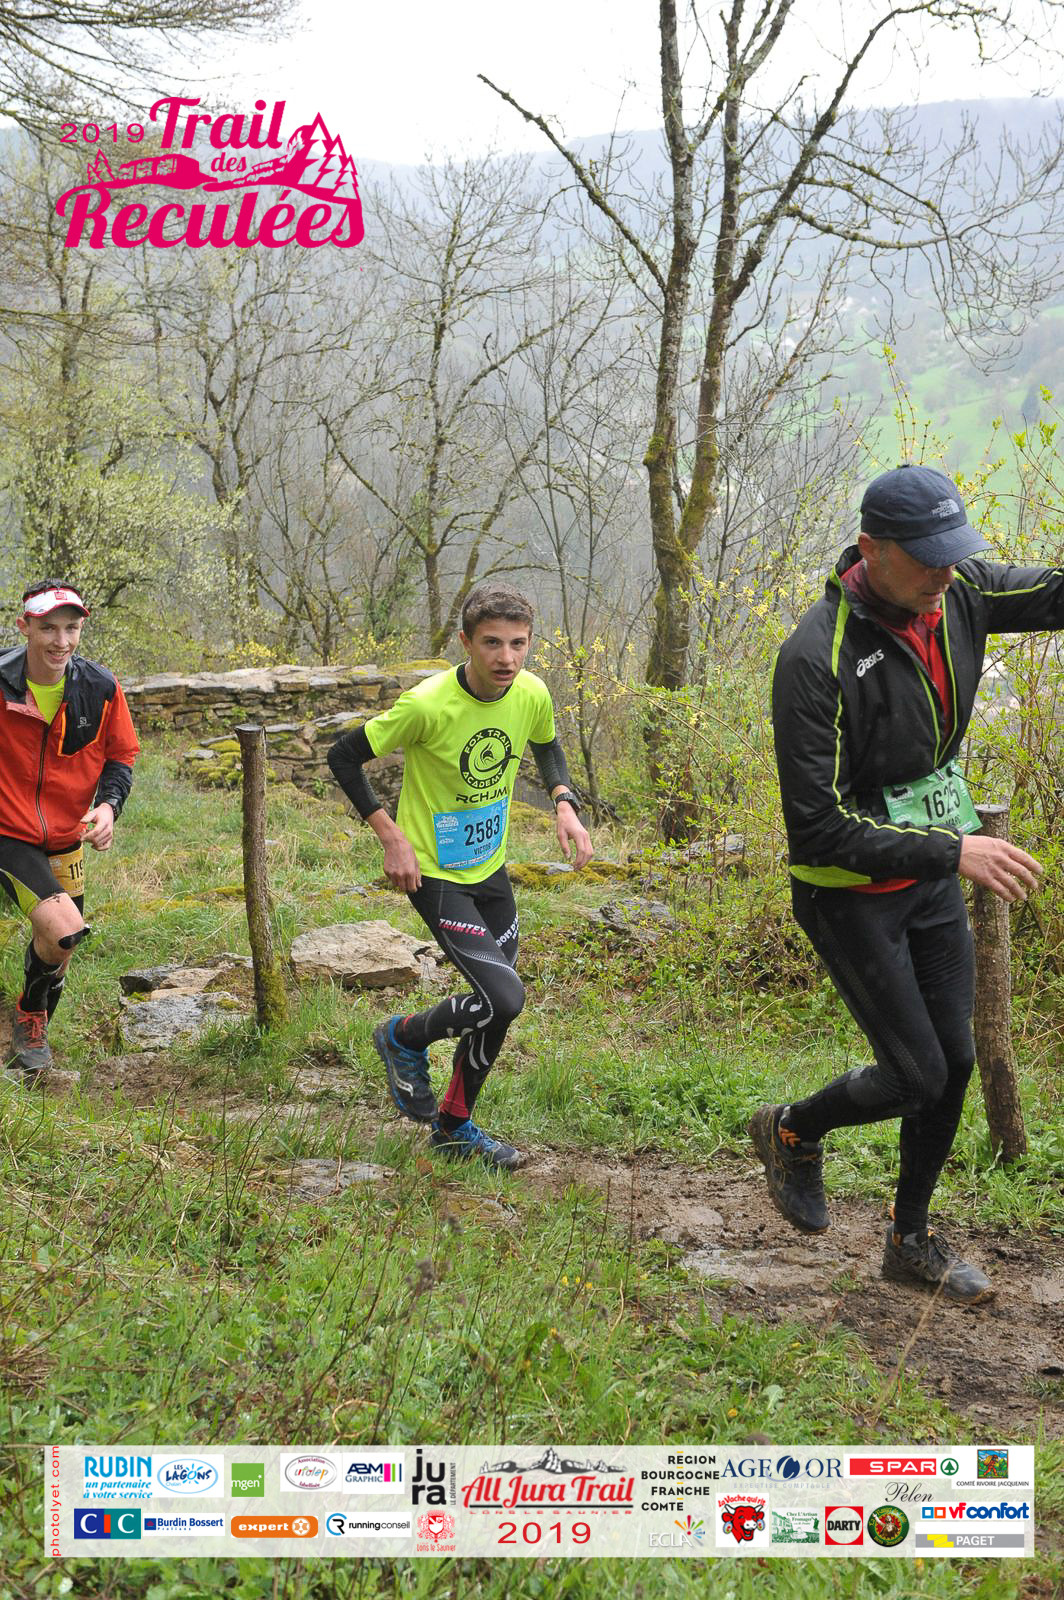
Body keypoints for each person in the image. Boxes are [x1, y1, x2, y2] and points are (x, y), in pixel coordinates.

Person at [754, 463, 1063, 1303]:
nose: (944, 573)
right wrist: (953, 851)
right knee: (915, 1074)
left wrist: (943, 855)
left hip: (927, 876)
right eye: (926, 558)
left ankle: (909, 1239)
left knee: (954, 1063)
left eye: (953, 553)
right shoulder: (814, 657)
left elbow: (1056, 594)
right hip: (846, 891)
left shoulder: (960, 591)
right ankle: (791, 1130)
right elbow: (817, 826)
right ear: (871, 549)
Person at [328, 583, 593, 1170]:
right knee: (504, 997)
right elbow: (342, 756)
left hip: (490, 868)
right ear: (466, 642)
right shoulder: (427, 705)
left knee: (495, 1006)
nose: (507, 658)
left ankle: (453, 1128)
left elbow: (548, 746)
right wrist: (391, 836)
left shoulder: (531, 692)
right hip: (435, 873)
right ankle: (403, 1035)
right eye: (492, 643)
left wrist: (564, 802)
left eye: (519, 644)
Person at [0, 581, 139, 1077]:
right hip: (8, 832)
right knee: (65, 929)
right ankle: (30, 1021)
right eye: (48, 629)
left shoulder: (100, 688)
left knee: (62, 945)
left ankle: (28, 1035)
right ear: (25, 627)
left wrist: (108, 807)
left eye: (71, 628)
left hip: (65, 836)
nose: (61, 641)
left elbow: (122, 755)